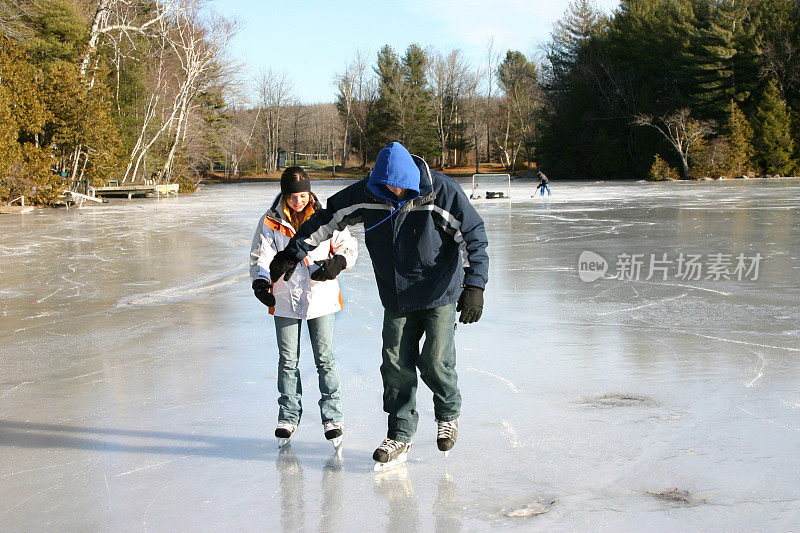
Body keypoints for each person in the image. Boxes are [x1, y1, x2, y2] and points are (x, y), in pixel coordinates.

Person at [269, 142, 488, 467]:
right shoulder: (371, 192)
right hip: (397, 293)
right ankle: (400, 433)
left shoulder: (442, 192)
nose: (393, 191)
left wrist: (475, 285)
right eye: (387, 187)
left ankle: (448, 412)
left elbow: (473, 235)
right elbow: (328, 218)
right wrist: (293, 251)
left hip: (439, 290)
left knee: (434, 359)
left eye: (399, 186)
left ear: (411, 179)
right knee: (395, 363)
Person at [250, 166, 358, 449]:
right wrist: (261, 282)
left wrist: (339, 262)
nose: (299, 201)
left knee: (325, 359)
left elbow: (348, 246)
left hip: (321, 297)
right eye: (293, 196)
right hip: (284, 298)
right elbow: (261, 255)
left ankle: (332, 417)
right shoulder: (271, 221)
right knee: (287, 361)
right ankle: (288, 416)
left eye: (303, 195)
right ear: (285, 195)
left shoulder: (326, 217)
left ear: (309, 193)